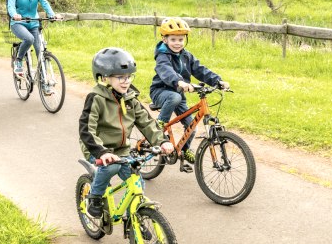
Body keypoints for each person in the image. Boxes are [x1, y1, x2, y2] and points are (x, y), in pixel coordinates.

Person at [79, 47, 174, 218]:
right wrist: (102, 152)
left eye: (129, 76)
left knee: (136, 182)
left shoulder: (130, 99)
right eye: (120, 77)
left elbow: (147, 123)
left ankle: (136, 217)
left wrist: (162, 141)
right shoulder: (96, 98)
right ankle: (95, 197)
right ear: (104, 78)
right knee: (111, 166)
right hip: (97, 149)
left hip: (122, 150)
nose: (126, 81)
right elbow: (86, 129)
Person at [149, 17, 229, 170]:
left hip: (179, 95)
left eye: (181, 39)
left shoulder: (187, 56)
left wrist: (218, 81)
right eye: (173, 39)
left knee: (191, 125)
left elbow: (200, 70)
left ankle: (185, 150)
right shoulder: (162, 56)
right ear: (164, 39)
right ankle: (160, 124)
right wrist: (179, 82)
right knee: (175, 96)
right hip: (161, 92)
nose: (177, 43)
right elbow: (166, 71)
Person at [7, 0, 61, 77]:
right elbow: (10, 5)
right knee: (29, 39)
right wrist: (14, 14)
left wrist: (52, 14)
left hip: (34, 23)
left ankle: (44, 81)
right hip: (18, 23)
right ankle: (18, 60)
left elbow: (44, 2)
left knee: (40, 50)